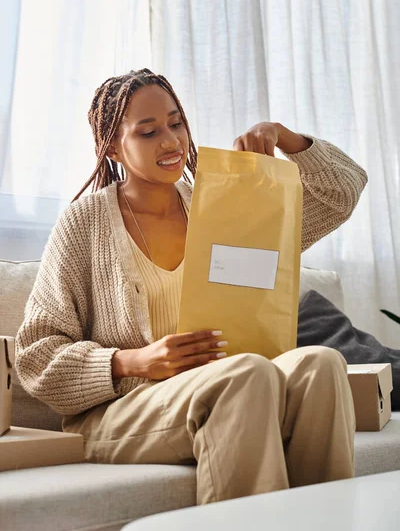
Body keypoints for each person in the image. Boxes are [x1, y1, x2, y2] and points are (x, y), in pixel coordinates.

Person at [15, 68, 368, 505]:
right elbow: (35, 355)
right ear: (112, 146)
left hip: (228, 386)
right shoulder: (83, 225)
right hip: (120, 411)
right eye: (148, 132)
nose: (170, 141)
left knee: (322, 364)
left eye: (176, 123)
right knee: (247, 374)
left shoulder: (222, 206)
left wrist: (284, 137)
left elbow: (342, 192)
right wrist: (131, 361)